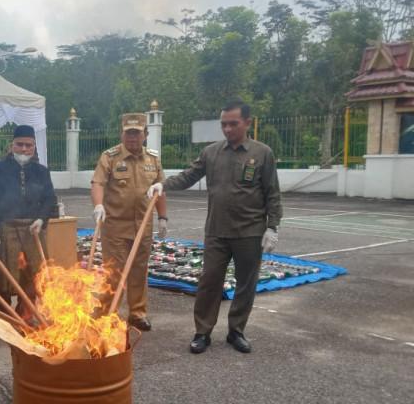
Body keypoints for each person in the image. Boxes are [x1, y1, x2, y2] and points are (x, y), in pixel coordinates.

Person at [148, 99, 282, 354]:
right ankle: (202, 332)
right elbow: (189, 175)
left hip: (250, 232)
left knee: (246, 283)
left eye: (234, 124)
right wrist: (162, 185)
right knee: (209, 282)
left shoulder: (262, 153)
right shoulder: (211, 152)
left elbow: (272, 193)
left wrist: (272, 226)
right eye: (224, 124)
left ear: (247, 122)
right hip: (217, 232)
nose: (228, 129)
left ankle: (236, 331)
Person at [91, 113, 168, 332]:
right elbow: (98, 183)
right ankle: (107, 314)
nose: (132, 138)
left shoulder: (153, 159)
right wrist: (98, 205)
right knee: (113, 272)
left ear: (146, 134)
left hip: (143, 226)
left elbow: (160, 190)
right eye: (128, 133)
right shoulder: (110, 157)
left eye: (137, 133)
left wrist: (162, 217)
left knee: (139, 271)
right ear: (122, 133)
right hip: (115, 226)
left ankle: (137, 313)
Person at [0, 125, 56, 318]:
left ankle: (25, 315)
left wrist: (42, 219)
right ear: (12, 145)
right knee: (3, 277)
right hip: (5, 228)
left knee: (33, 277)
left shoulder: (42, 171)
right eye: (20, 145)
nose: (24, 149)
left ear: (34, 147)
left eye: (28, 145)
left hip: (33, 230)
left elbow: (50, 199)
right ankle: (3, 318)